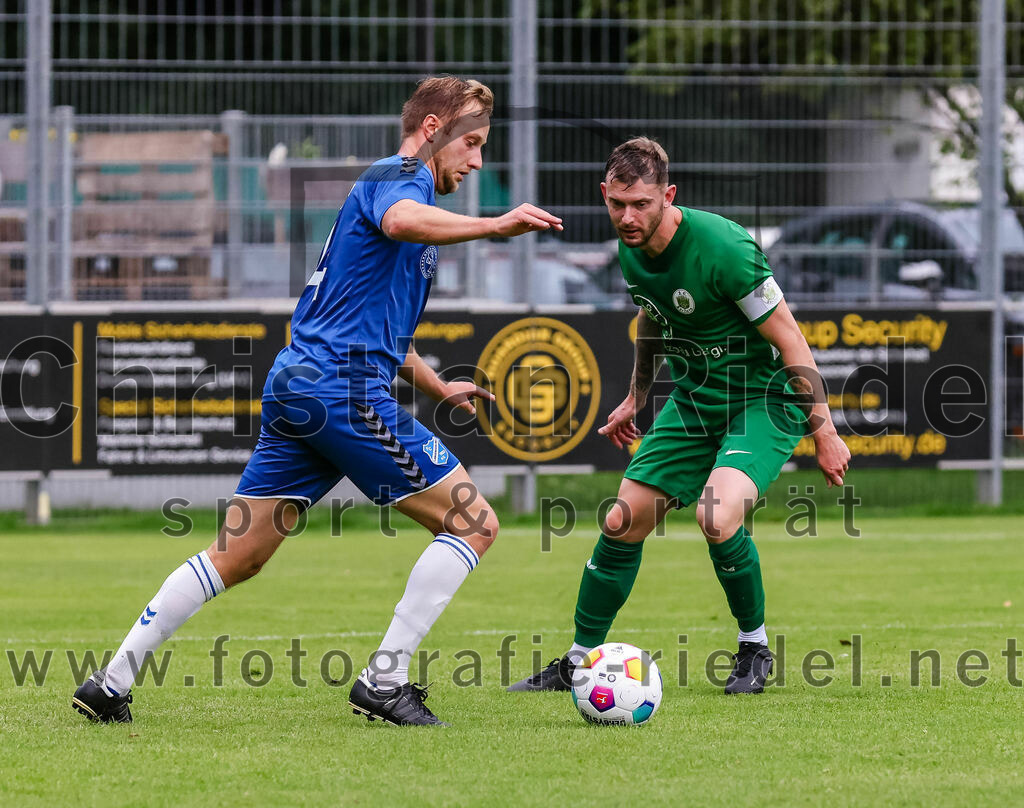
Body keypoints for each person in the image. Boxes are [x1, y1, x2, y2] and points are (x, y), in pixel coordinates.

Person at [72, 76, 562, 727]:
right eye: (471, 144)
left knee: (237, 555)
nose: (476, 161)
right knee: (474, 523)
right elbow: (400, 219)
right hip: (339, 390)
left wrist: (440, 387)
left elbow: (386, 332)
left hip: (302, 386)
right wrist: (494, 223)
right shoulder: (401, 175)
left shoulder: (409, 205)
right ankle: (384, 684)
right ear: (434, 128)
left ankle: (111, 681)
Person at [508, 137, 849, 695]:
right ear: (605, 195)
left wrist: (826, 433)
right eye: (617, 203)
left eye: (641, 204)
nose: (627, 216)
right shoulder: (629, 248)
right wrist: (636, 396)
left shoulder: (724, 247)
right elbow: (652, 318)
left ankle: (754, 648)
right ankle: (577, 658)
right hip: (693, 402)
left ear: (668, 195)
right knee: (622, 520)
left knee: (716, 516)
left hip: (762, 400)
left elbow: (790, 338)